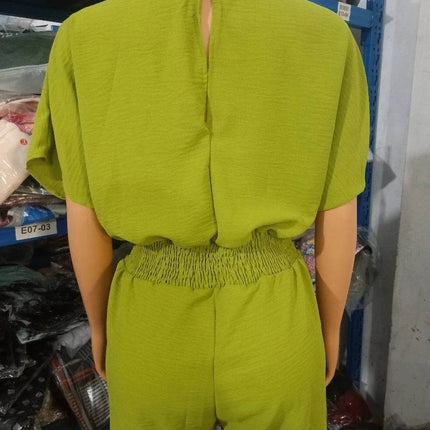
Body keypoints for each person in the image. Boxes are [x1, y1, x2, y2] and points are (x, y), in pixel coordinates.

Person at [25, 0, 370, 428]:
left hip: (150, 320)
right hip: (276, 316)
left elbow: (83, 210)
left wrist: (100, 326)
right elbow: (338, 206)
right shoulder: (329, 36)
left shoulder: (82, 35)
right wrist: (329, 330)